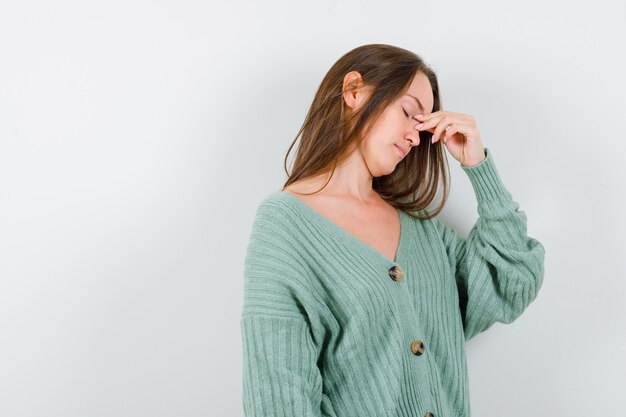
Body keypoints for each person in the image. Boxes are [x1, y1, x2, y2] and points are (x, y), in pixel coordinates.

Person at [240, 43, 545, 417]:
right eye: (408, 112)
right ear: (353, 90)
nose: (416, 137)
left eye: (424, 125)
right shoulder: (284, 224)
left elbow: (510, 282)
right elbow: (279, 399)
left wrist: (478, 166)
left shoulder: (425, 231)